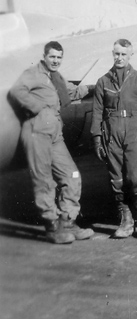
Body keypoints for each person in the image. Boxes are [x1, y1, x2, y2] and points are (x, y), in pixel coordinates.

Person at [9, 41, 94, 244]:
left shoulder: (56, 78)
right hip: (38, 131)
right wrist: (38, 107)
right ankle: (52, 226)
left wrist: (94, 86)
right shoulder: (33, 73)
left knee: (71, 175)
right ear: (45, 56)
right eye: (52, 56)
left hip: (56, 133)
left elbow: (70, 92)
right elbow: (17, 91)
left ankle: (68, 221)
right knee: (44, 179)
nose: (55, 60)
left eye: (59, 57)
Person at [91, 39, 137, 239]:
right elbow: (97, 112)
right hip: (112, 133)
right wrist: (97, 138)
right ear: (113, 54)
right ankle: (126, 220)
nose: (119, 58)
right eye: (116, 54)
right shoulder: (103, 81)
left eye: (123, 54)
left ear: (130, 55)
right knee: (116, 179)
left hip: (135, 131)